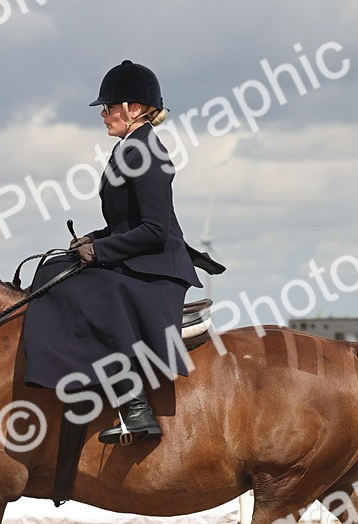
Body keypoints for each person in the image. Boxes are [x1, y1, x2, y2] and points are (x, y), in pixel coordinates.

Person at [22, 60, 225, 445]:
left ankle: (134, 408)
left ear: (134, 109)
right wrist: (91, 240)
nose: (103, 115)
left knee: (79, 289)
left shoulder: (148, 153)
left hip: (156, 271)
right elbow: (125, 224)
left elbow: (154, 230)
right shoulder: (130, 148)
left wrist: (99, 252)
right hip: (139, 259)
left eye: (109, 108)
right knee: (53, 268)